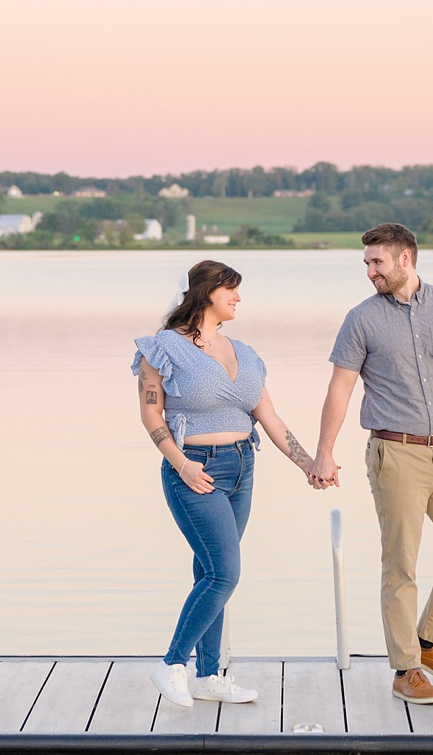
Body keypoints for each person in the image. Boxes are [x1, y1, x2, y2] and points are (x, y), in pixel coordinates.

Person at [308, 222, 433, 705]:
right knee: (401, 564)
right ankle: (406, 669)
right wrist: (325, 451)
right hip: (396, 453)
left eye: (377, 263)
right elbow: (341, 388)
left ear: (405, 258)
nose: (370, 272)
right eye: (367, 264)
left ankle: (429, 643)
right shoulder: (361, 319)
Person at [132, 258, 320, 707]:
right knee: (224, 573)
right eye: (231, 289)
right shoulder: (162, 348)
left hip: (242, 467)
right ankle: (172, 664)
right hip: (195, 471)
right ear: (205, 293)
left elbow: (268, 416)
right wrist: (181, 464)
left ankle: (207, 675)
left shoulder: (245, 353)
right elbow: (150, 413)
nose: (238, 298)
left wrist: (309, 463)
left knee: (209, 572)